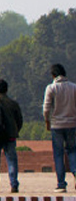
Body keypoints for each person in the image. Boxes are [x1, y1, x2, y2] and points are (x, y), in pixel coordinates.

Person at [44, 64, 76, 192]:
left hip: (56, 125)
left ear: (53, 75)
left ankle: (61, 183)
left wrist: (47, 121)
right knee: (73, 151)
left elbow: (46, 108)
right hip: (72, 124)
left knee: (58, 154)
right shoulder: (74, 87)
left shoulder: (51, 88)